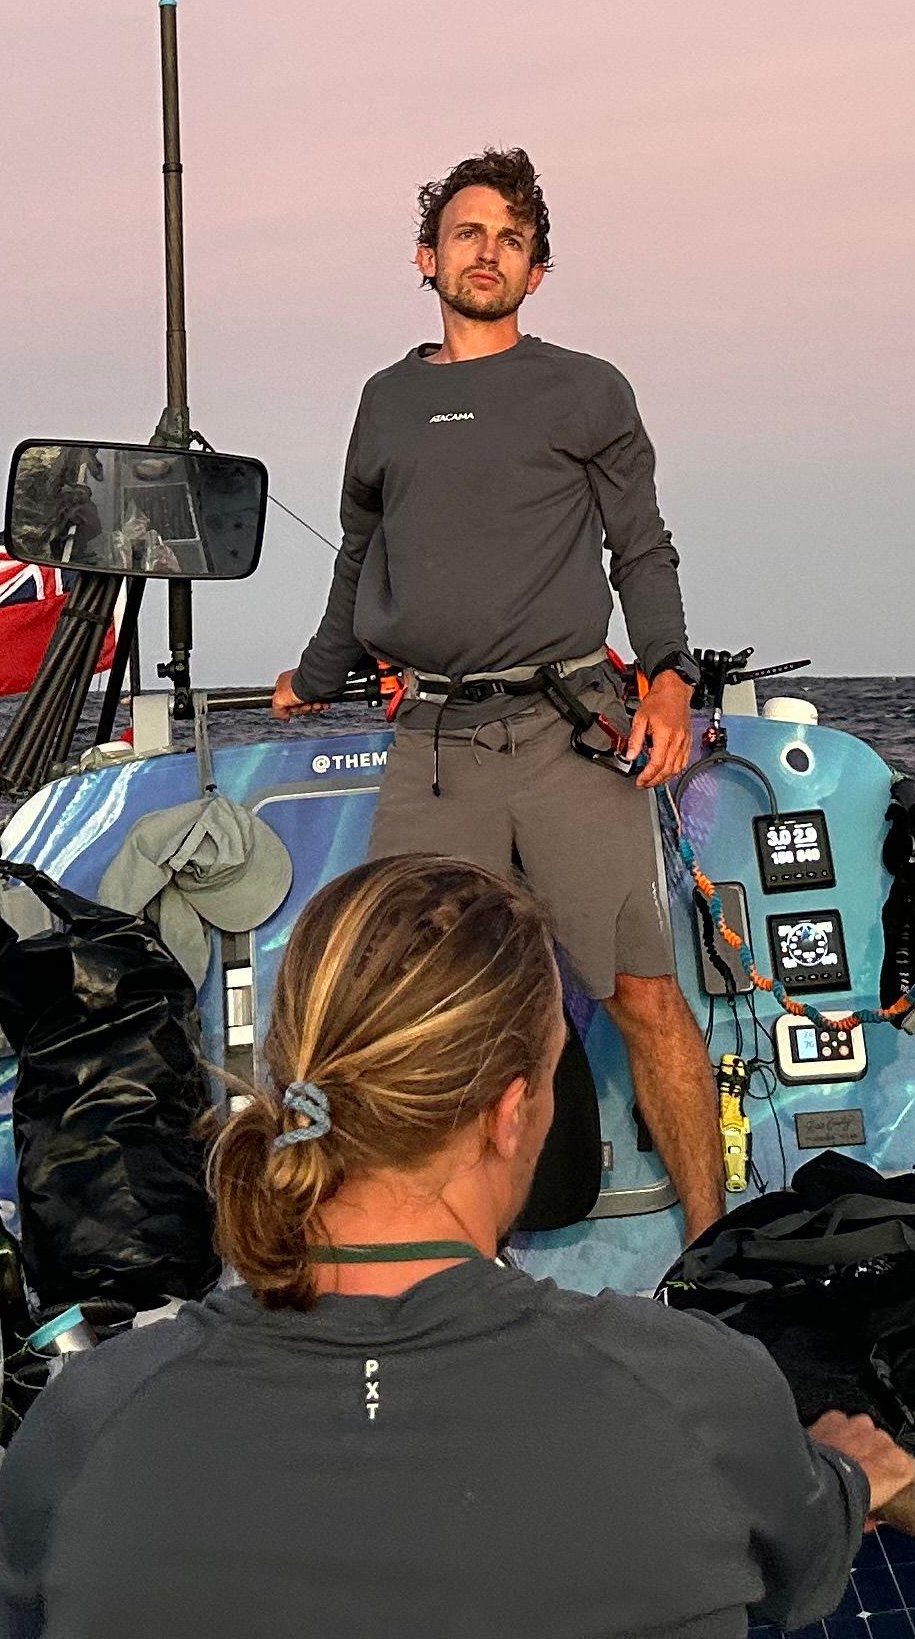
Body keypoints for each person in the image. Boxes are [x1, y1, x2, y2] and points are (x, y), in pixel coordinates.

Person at [0, 856, 915, 1639]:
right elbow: (802, 1570)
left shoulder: (83, 1428)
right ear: (514, 1114)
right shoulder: (700, 1393)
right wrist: (843, 1475)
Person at [271, 146, 727, 1234]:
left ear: (535, 273)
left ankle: (718, 1251)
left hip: (567, 733)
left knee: (648, 1001)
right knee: (409, 1011)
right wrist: (319, 674)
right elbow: (358, 553)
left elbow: (642, 549)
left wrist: (666, 677)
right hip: (430, 743)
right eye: (470, 233)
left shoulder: (586, 389)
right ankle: (438, 1265)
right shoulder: (385, 402)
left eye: (512, 240)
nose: (490, 252)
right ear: (427, 258)